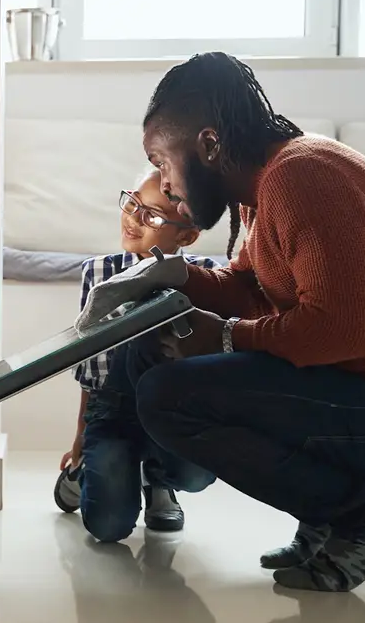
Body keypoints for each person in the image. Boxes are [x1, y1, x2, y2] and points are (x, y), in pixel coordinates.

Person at [132, 51, 365, 592]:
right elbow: (249, 289)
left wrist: (224, 338)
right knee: (152, 356)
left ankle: (364, 516)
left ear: (207, 145)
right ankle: (329, 517)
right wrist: (173, 274)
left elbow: (348, 330)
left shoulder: (302, 177)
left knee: (167, 396)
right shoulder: (263, 185)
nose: (165, 183)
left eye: (162, 161)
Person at [54, 169, 218, 542]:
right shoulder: (99, 271)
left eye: (154, 216)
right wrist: (80, 437)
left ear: (187, 235)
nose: (133, 220)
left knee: (197, 473)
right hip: (112, 408)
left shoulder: (208, 276)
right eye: (132, 204)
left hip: (173, 409)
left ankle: (158, 479)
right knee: (108, 527)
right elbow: (89, 360)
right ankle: (90, 473)